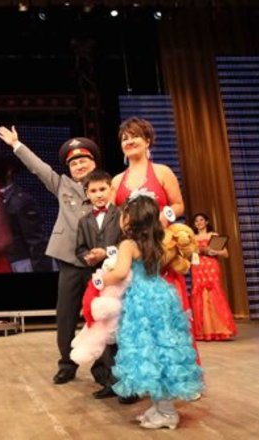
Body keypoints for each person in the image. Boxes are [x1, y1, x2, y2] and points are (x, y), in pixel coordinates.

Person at [0, 125, 97, 385]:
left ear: (94, 163)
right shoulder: (62, 185)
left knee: (101, 314)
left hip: (99, 261)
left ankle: (103, 368)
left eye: (83, 161)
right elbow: (39, 168)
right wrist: (17, 145)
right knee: (66, 315)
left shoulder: (104, 186)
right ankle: (67, 364)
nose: (79, 166)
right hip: (70, 259)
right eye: (73, 163)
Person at [102, 194, 203, 429]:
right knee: (163, 352)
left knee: (150, 355)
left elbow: (120, 273)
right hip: (162, 295)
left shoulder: (128, 245)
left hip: (141, 301)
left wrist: (102, 278)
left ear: (130, 219)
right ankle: (160, 407)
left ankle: (167, 412)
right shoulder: (158, 242)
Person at [110, 117, 201, 363]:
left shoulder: (162, 172)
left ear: (147, 140)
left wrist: (161, 218)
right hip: (134, 255)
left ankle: (179, 370)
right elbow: (115, 216)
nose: (129, 141)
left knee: (170, 314)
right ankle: (147, 373)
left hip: (161, 250)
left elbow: (179, 205)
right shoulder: (117, 181)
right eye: (124, 138)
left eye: (135, 136)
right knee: (139, 318)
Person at [75, 170, 139, 403]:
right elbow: (80, 249)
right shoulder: (84, 221)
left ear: (111, 190)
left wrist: (108, 252)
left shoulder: (122, 215)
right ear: (87, 194)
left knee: (123, 333)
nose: (98, 194)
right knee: (104, 333)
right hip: (98, 282)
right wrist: (89, 257)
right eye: (93, 191)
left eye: (102, 189)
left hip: (121, 280)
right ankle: (111, 383)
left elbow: (129, 242)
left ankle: (130, 385)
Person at [190, 213, 237, 341]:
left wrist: (214, 251)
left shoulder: (213, 235)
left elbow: (225, 253)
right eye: (196, 221)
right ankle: (203, 331)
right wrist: (196, 252)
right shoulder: (192, 237)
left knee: (213, 293)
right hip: (198, 267)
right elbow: (189, 254)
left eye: (201, 220)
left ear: (206, 222)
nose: (199, 223)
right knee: (199, 295)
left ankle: (220, 329)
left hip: (211, 266)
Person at [1, 159, 53, 272]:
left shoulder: (20, 200)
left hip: (21, 263)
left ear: (9, 171)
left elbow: (36, 240)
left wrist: (41, 268)